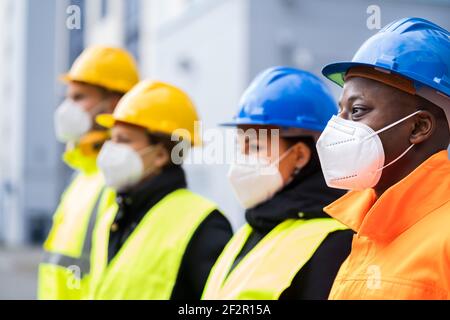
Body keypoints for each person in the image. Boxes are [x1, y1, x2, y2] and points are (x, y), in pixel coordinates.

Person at [318, 17, 450, 299]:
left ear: (418, 127)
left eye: (357, 111)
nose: (336, 127)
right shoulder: (367, 230)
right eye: (340, 110)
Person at [202, 67, 353, 300]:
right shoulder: (252, 228)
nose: (241, 158)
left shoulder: (335, 243)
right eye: (239, 147)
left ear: (300, 156)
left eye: (255, 147)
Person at [86, 80, 233, 300]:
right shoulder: (113, 216)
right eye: (112, 139)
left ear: (161, 155)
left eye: (123, 140)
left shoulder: (205, 225)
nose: (110, 149)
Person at [38, 46, 139, 300]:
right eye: (68, 97)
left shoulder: (122, 178)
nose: (67, 108)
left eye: (79, 97)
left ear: (114, 103)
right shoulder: (83, 176)